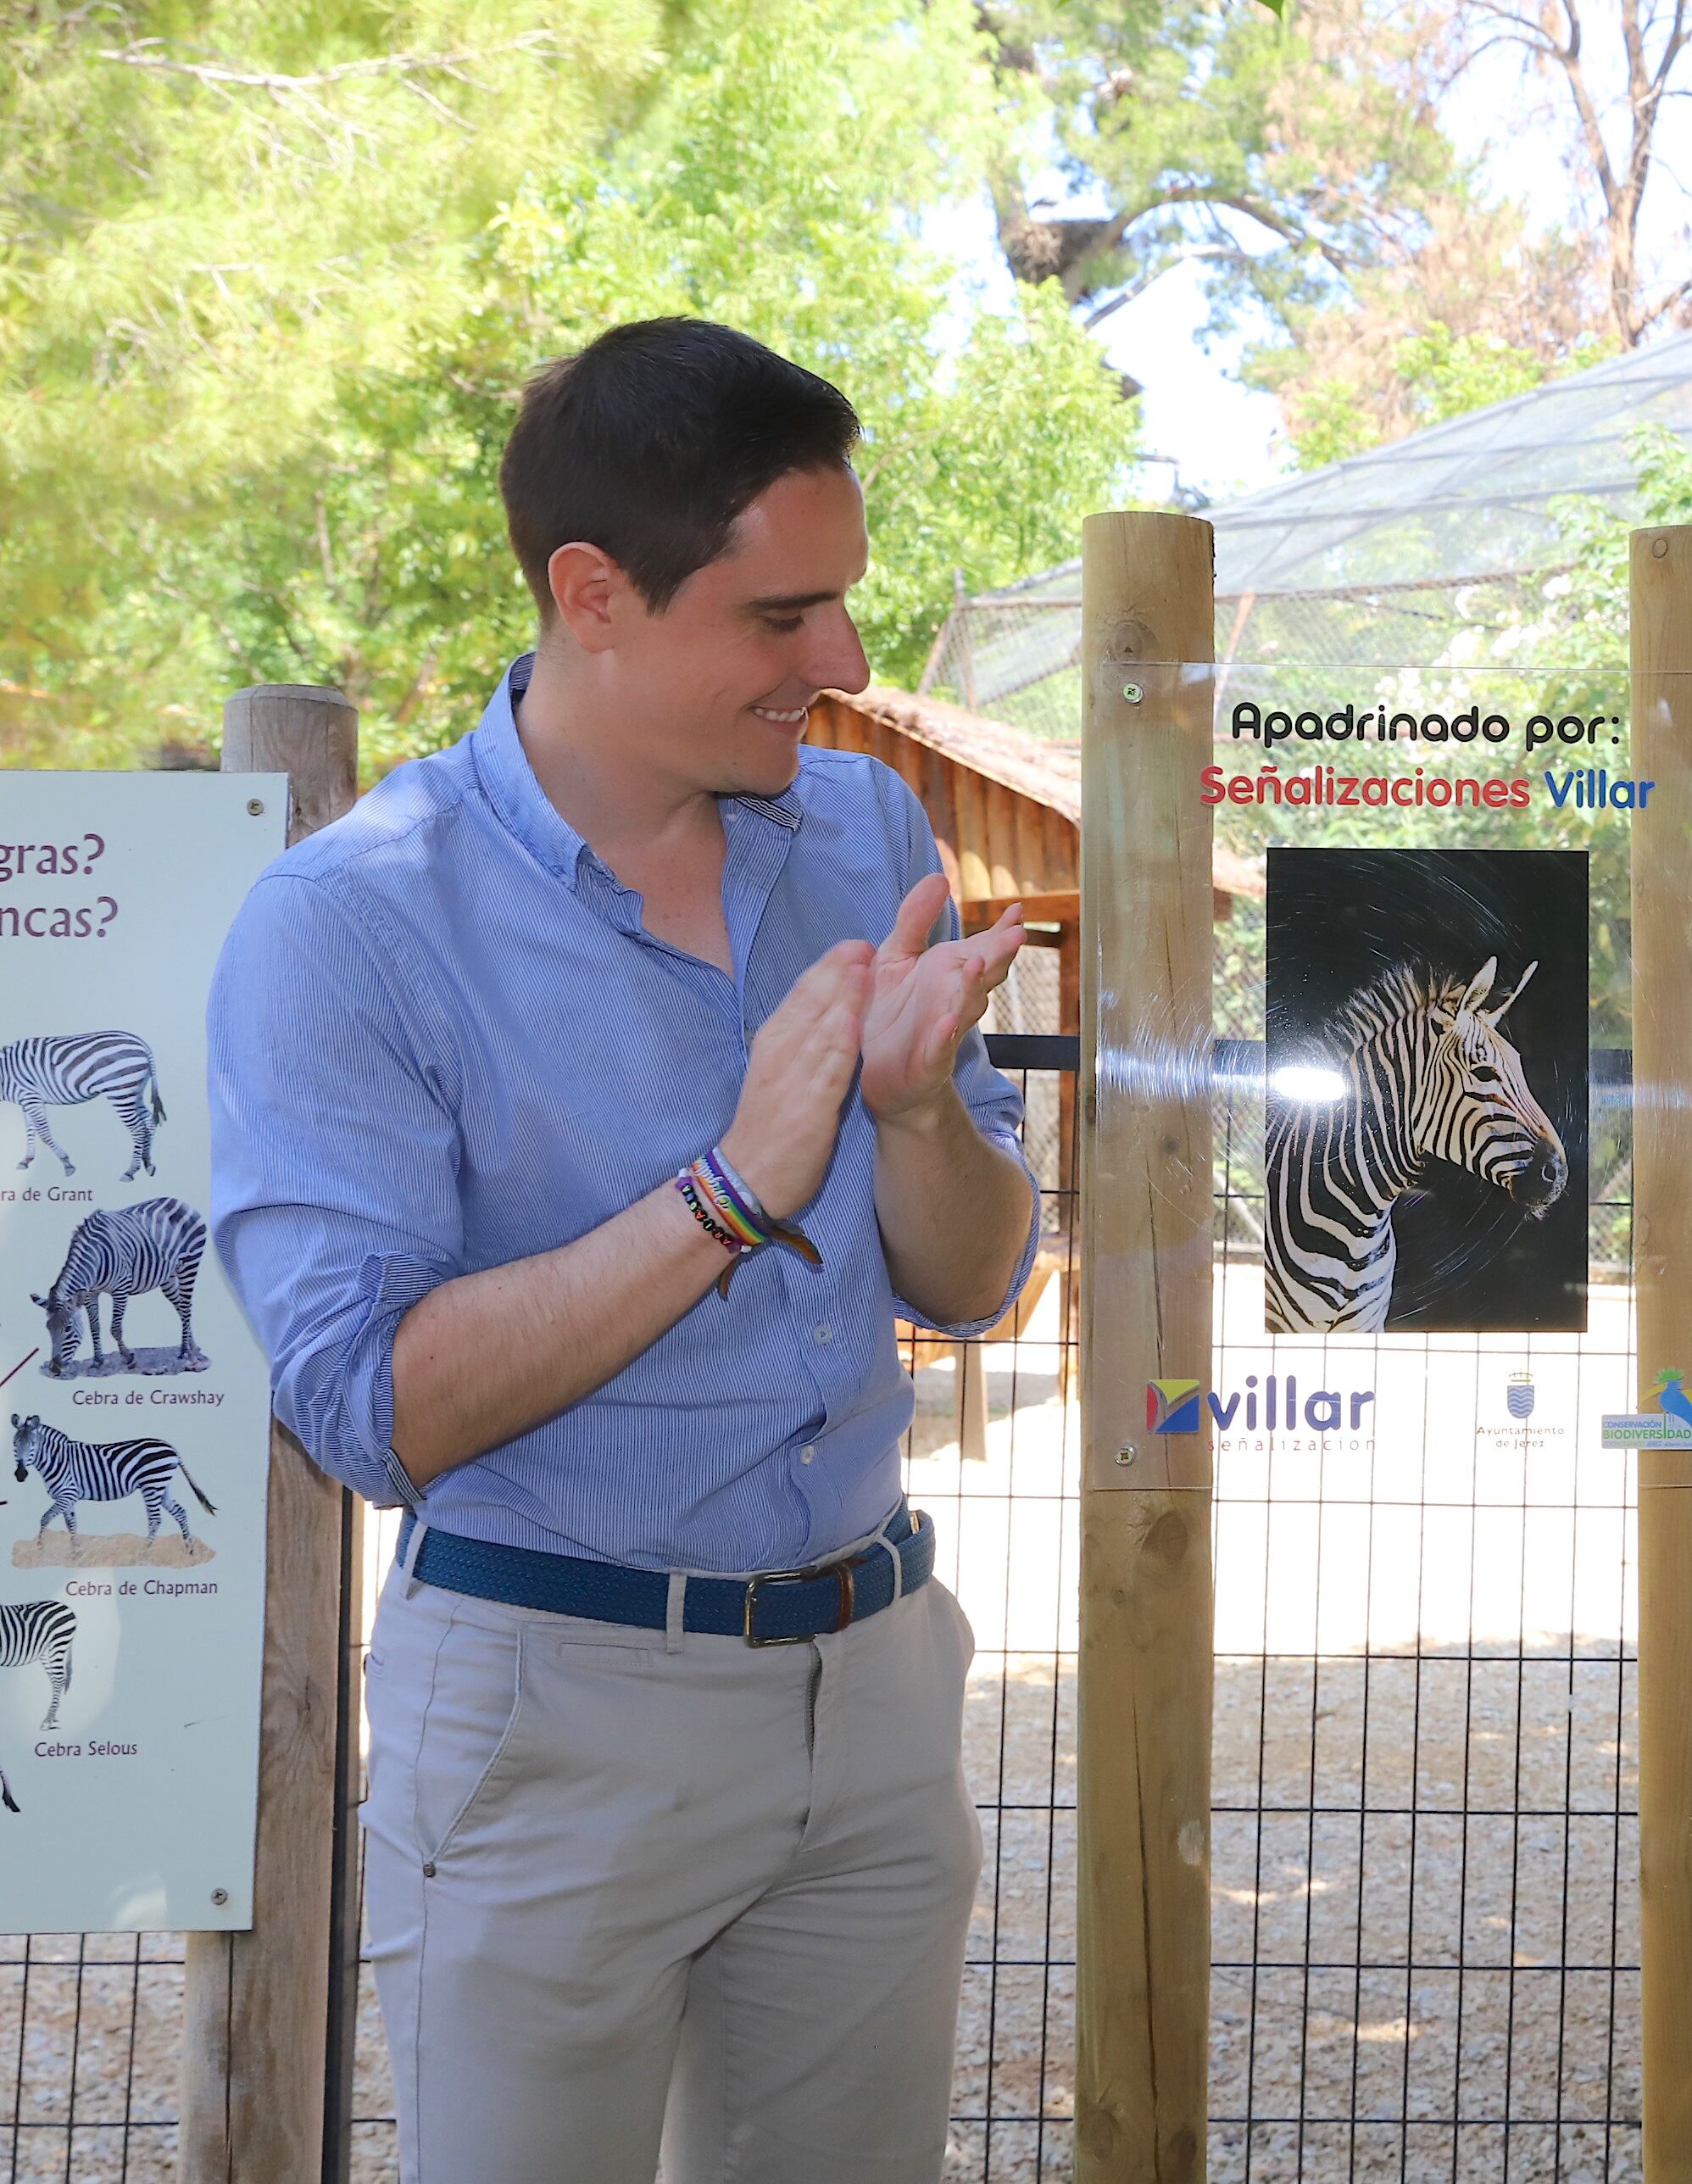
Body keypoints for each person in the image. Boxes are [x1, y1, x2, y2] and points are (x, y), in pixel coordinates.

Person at [209, 318, 1039, 2183]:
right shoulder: (350, 922)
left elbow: (976, 1278)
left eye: (844, 601)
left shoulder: (869, 829)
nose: (844, 664)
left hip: (877, 1688)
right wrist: (728, 1188)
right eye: (783, 616)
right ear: (592, 594)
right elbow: (365, 1409)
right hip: (552, 1714)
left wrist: (915, 1118)